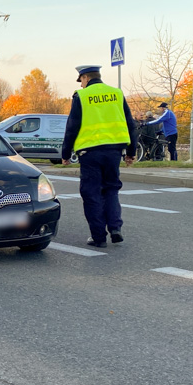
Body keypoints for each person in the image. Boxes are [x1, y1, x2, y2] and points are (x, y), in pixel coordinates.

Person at [61, 65, 137, 248]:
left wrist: (65, 154)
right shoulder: (116, 93)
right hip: (113, 152)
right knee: (111, 189)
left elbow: (72, 126)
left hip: (90, 153)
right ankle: (115, 228)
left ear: (86, 77)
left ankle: (98, 237)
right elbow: (130, 124)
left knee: (91, 193)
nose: (81, 85)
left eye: (82, 81)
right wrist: (131, 153)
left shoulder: (82, 96)